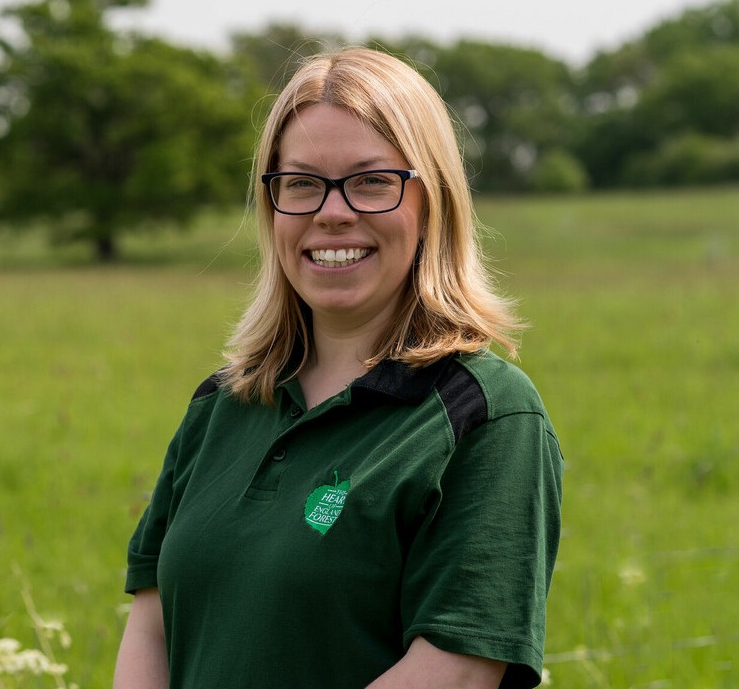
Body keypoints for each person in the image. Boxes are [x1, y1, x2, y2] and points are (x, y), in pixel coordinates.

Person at [114, 47, 563, 689]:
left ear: (431, 200)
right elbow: (151, 625)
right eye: (301, 183)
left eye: (371, 181)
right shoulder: (220, 405)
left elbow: (457, 669)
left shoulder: (486, 414)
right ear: (272, 210)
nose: (332, 212)